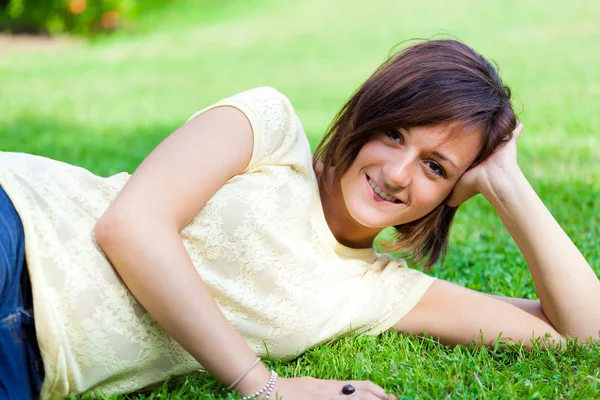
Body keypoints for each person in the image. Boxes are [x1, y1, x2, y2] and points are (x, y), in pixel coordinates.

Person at [0, 39, 598, 400]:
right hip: (20, 227)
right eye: (394, 133)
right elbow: (130, 226)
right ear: (368, 115)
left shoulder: (382, 292)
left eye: (435, 168)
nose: (396, 173)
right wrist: (263, 386)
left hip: (31, 366)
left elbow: (583, 334)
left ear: (451, 195)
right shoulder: (268, 128)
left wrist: (506, 183)